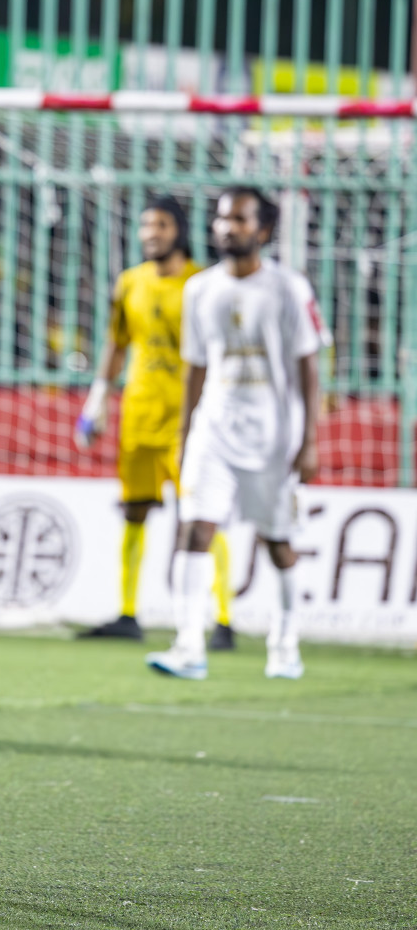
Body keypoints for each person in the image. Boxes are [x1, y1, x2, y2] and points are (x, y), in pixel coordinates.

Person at [146, 187, 326, 681]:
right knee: (195, 528)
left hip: (274, 436)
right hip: (215, 430)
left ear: (263, 230)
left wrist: (310, 439)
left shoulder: (289, 288)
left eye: (241, 220)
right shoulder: (200, 288)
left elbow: (309, 368)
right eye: (223, 219)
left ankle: (285, 643)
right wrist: (185, 434)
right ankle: (188, 644)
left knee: (277, 542)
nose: (229, 228)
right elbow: (195, 368)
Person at [75, 196, 235, 648]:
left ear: (179, 231)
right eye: (146, 226)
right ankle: (128, 613)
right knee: (135, 510)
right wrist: (97, 401)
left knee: (202, 513)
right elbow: (116, 343)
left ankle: (223, 619)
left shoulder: (205, 283)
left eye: (161, 226)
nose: (151, 234)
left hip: (191, 417)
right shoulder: (130, 283)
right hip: (141, 413)